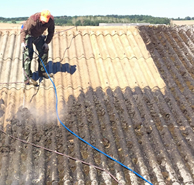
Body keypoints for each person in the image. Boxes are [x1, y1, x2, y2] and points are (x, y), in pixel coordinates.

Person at [20, 10, 55, 86]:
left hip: (38, 36)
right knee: (28, 55)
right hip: (28, 35)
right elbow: (23, 31)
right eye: (42, 20)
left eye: (45, 21)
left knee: (44, 50)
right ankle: (27, 79)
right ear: (40, 17)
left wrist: (46, 42)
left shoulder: (51, 21)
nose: (43, 22)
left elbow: (51, 31)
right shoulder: (33, 20)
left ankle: (42, 72)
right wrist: (22, 42)